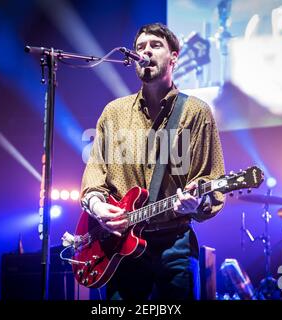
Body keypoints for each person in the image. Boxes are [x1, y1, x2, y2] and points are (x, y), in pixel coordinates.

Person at [80, 23, 225, 300]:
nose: (145, 51)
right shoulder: (114, 112)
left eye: (155, 45)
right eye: (140, 47)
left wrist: (198, 202)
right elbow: (95, 174)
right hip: (120, 247)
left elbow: (210, 179)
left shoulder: (196, 112)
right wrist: (98, 207)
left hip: (175, 244)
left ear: (174, 56)